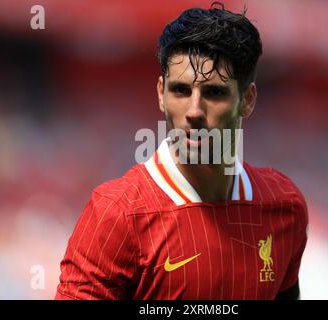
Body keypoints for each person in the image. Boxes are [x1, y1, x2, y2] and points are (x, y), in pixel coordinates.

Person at [55, 2, 308, 300]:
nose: (194, 111)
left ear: (247, 100)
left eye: (214, 92)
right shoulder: (116, 216)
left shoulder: (284, 208)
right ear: (161, 94)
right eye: (181, 90)